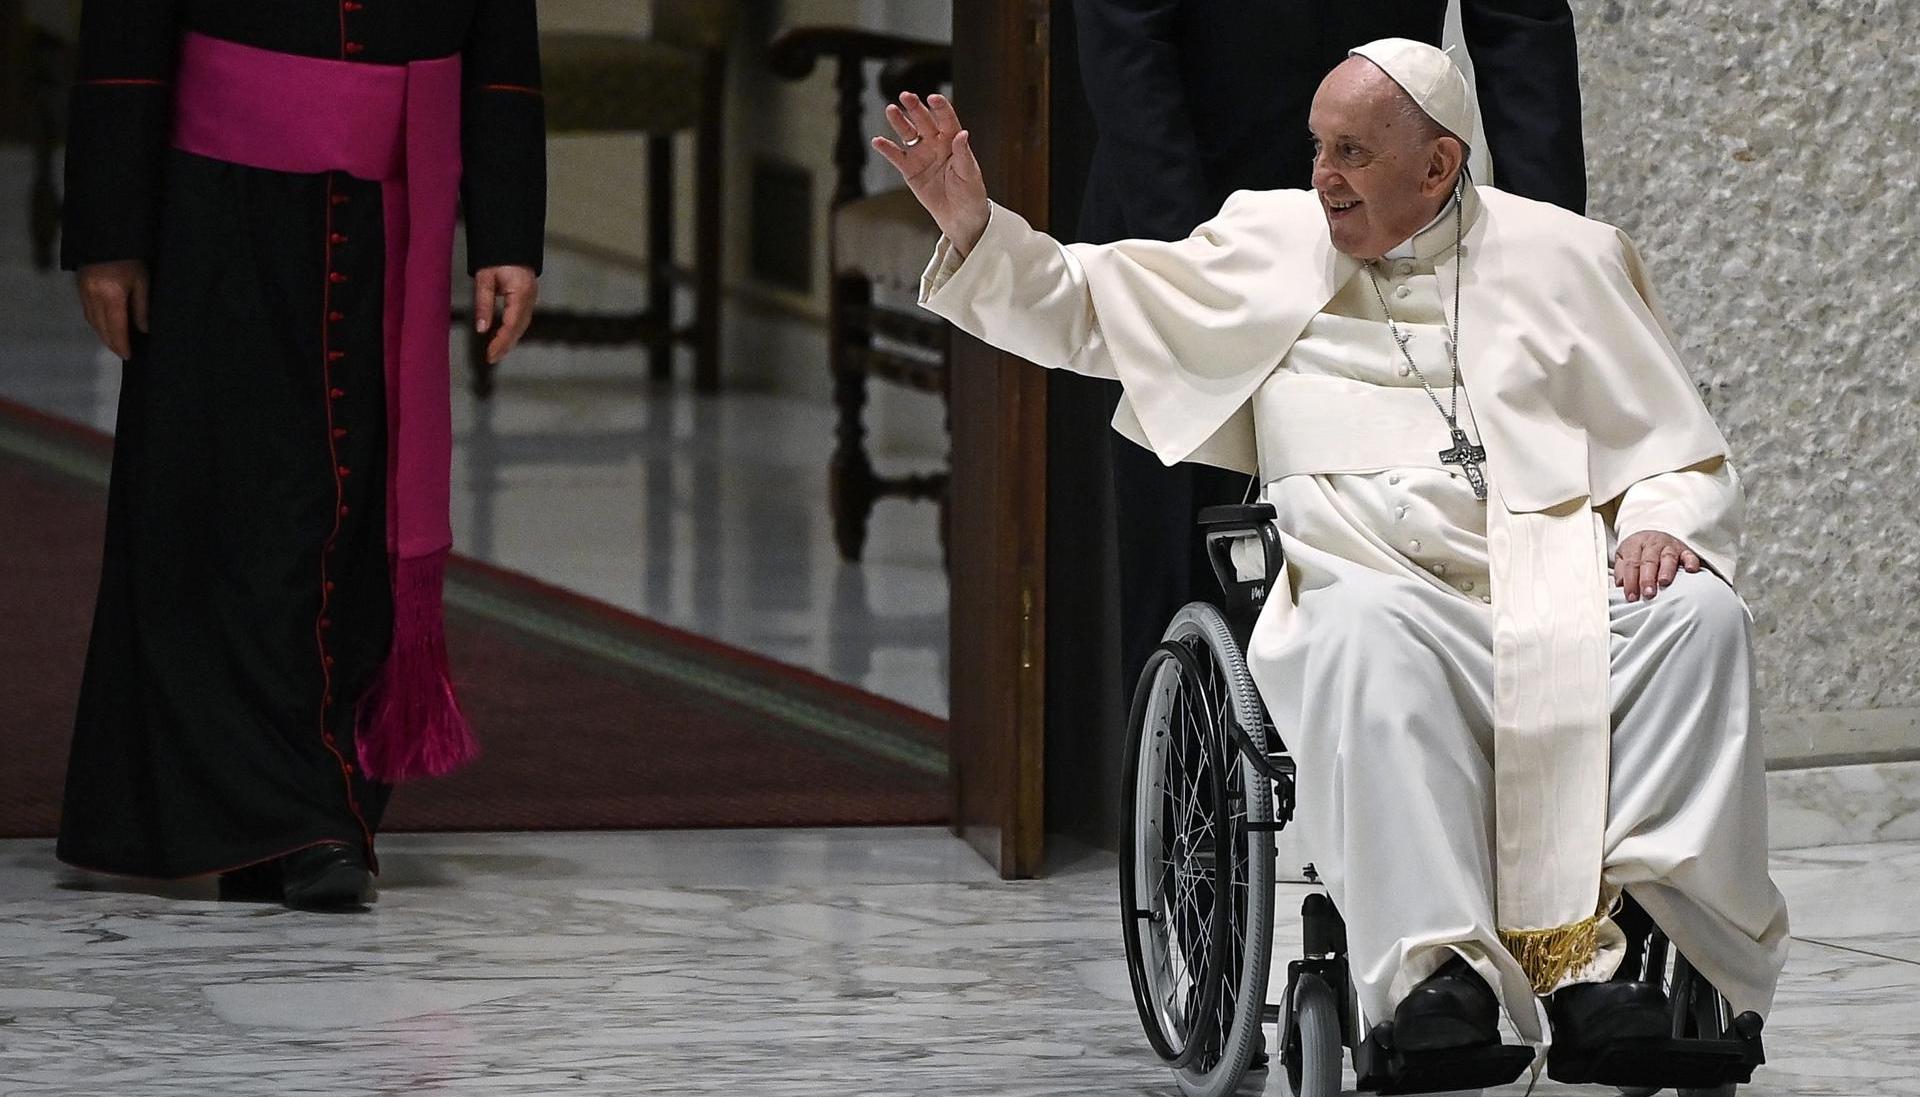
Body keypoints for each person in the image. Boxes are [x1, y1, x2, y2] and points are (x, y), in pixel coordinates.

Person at [877, 40, 1789, 1074]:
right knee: (1366, 637)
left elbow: (1673, 445)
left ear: (1439, 165)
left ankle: (1618, 964)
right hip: (1369, 576)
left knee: (1699, 617)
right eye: (1317, 146)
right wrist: (974, 228)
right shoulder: (1269, 242)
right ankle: (1435, 976)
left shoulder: (1566, 257)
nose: (1322, 175)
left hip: (1556, 576)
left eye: (1352, 151)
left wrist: (1665, 518)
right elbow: (1089, 305)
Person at [58, 0, 546, 910]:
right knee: (232, 509)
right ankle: (282, 815)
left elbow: (502, 34)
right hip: (217, 204)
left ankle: (319, 809)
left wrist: (508, 229)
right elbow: (125, 28)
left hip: (390, 207)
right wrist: (110, 232)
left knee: (354, 518)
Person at [1066, 0, 1586, 726]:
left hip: (1395, 219)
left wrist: (1544, 248)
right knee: (1190, 567)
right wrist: (1200, 265)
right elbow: (1125, 33)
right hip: (1190, 207)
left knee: (1410, 548)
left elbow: (1520, 27)